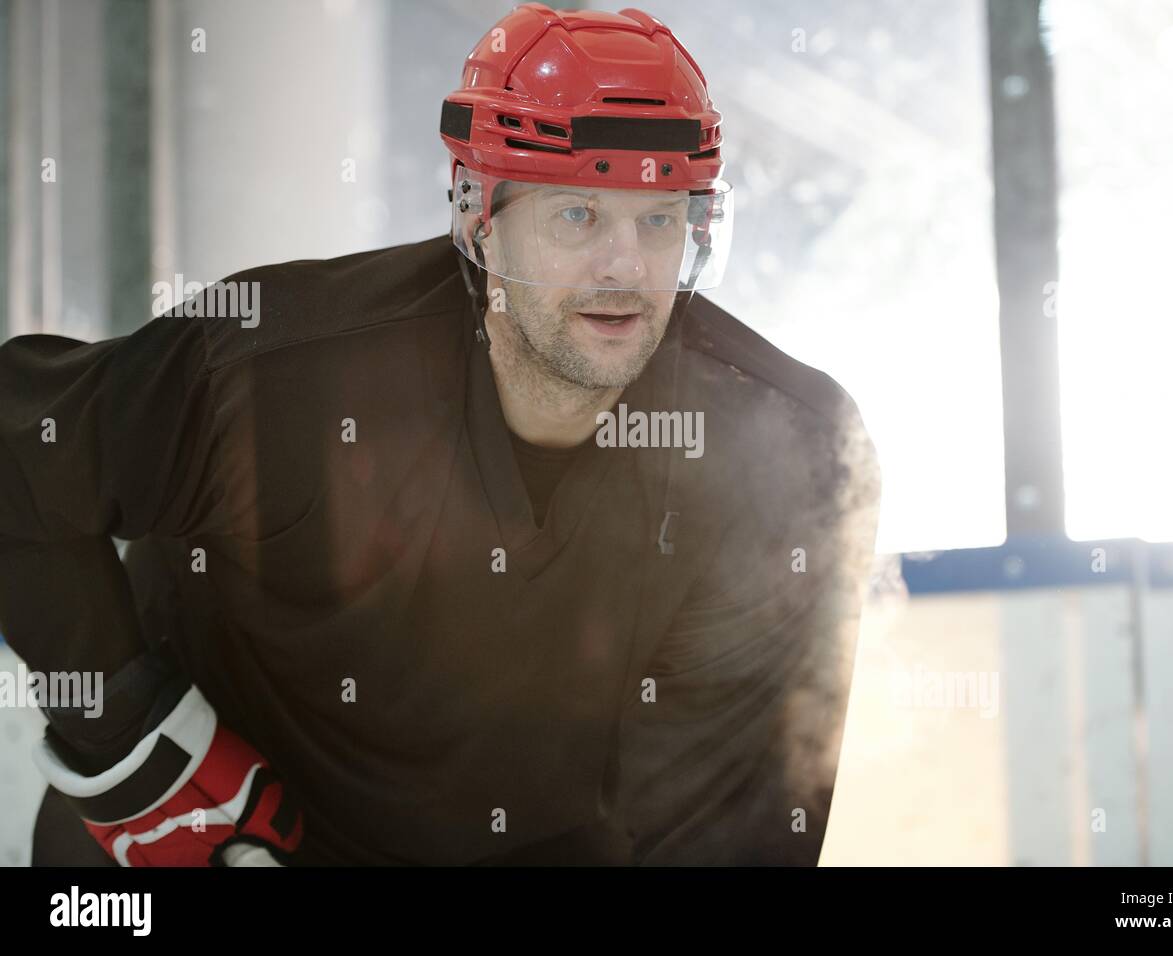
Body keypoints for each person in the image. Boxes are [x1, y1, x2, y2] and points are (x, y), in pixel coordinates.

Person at [0, 2, 881, 866]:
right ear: (477, 216)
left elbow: (728, 830)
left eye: (659, 221)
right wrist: (138, 746)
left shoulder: (787, 458)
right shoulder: (281, 369)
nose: (625, 267)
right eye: (577, 215)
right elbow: (16, 446)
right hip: (213, 836)